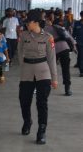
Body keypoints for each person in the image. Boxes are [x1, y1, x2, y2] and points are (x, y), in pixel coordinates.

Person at [18, 10, 58, 145]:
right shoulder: (23, 35)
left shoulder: (48, 37)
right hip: (27, 71)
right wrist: (23, 66)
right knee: (24, 100)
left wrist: (54, 78)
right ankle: (27, 121)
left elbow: (52, 59)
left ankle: (41, 130)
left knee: (42, 102)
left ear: (35, 22)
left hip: (43, 71)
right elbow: (19, 51)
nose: (26, 24)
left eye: (28, 22)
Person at [45, 13, 76, 96]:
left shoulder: (46, 29)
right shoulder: (60, 28)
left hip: (52, 50)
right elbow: (70, 38)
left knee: (49, 68)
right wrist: (74, 48)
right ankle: (67, 89)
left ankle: (46, 86)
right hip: (64, 48)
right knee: (66, 69)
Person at [73, 11, 83, 77]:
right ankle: (81, 71)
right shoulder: (77, 23)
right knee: (81, 56)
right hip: (79, 43)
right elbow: (74, 33)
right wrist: (73, 42)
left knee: (80, 56)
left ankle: (79, 65)